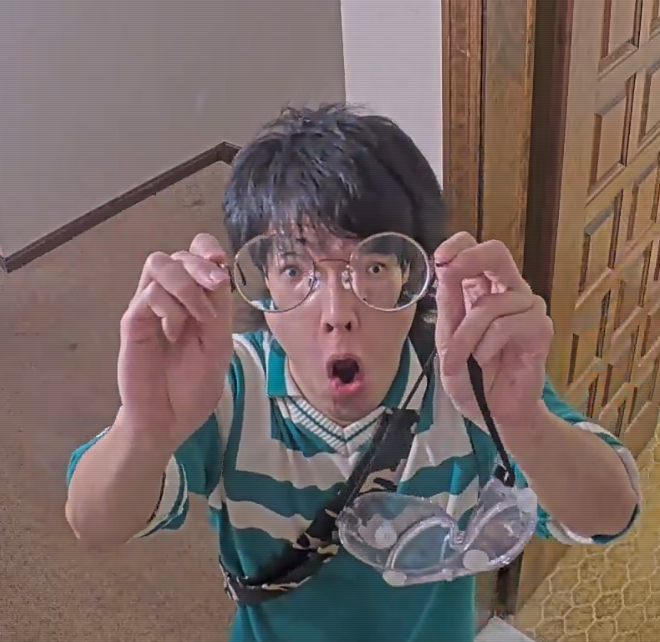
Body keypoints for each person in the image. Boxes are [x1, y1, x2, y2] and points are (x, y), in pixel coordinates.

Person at [65, 104, 641, 642]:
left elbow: (612, 515)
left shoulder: (471, 383)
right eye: (295, 269)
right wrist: (145, 427)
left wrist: (525, 424)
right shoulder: (225, 385)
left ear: (416, 275)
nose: (337, 312)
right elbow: (95, 523)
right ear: (261, 283)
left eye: (374, 265)